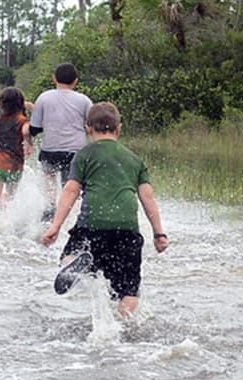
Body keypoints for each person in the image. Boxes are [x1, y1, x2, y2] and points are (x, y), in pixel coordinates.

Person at [41, 102, 169, 318]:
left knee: (69, 257)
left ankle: (77, 263)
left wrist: (55, 226)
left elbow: (71, 190)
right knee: (128, 290)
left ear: (88, 128)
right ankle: (123, 331)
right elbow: (148, 198)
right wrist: (159, 233)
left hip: (92, 226)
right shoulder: (134, 159)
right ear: (118, 128)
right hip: (127, 231)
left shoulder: (84, 155)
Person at [30, 62, 92, 220]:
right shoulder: (84, 100)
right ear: (75, 81)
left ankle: (50, 209)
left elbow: (35, 128)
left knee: (50, 182)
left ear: (54, 78)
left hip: (50, 149)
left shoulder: (44, 97)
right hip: (76, 151)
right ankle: (71, 216)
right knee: (71, 186)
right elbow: (92, 126)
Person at [0, 87, 33, 211]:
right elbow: (26, 131)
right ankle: (6, 200)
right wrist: (29, 144)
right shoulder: (22, 120)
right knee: (11, 200)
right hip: (15, 166)